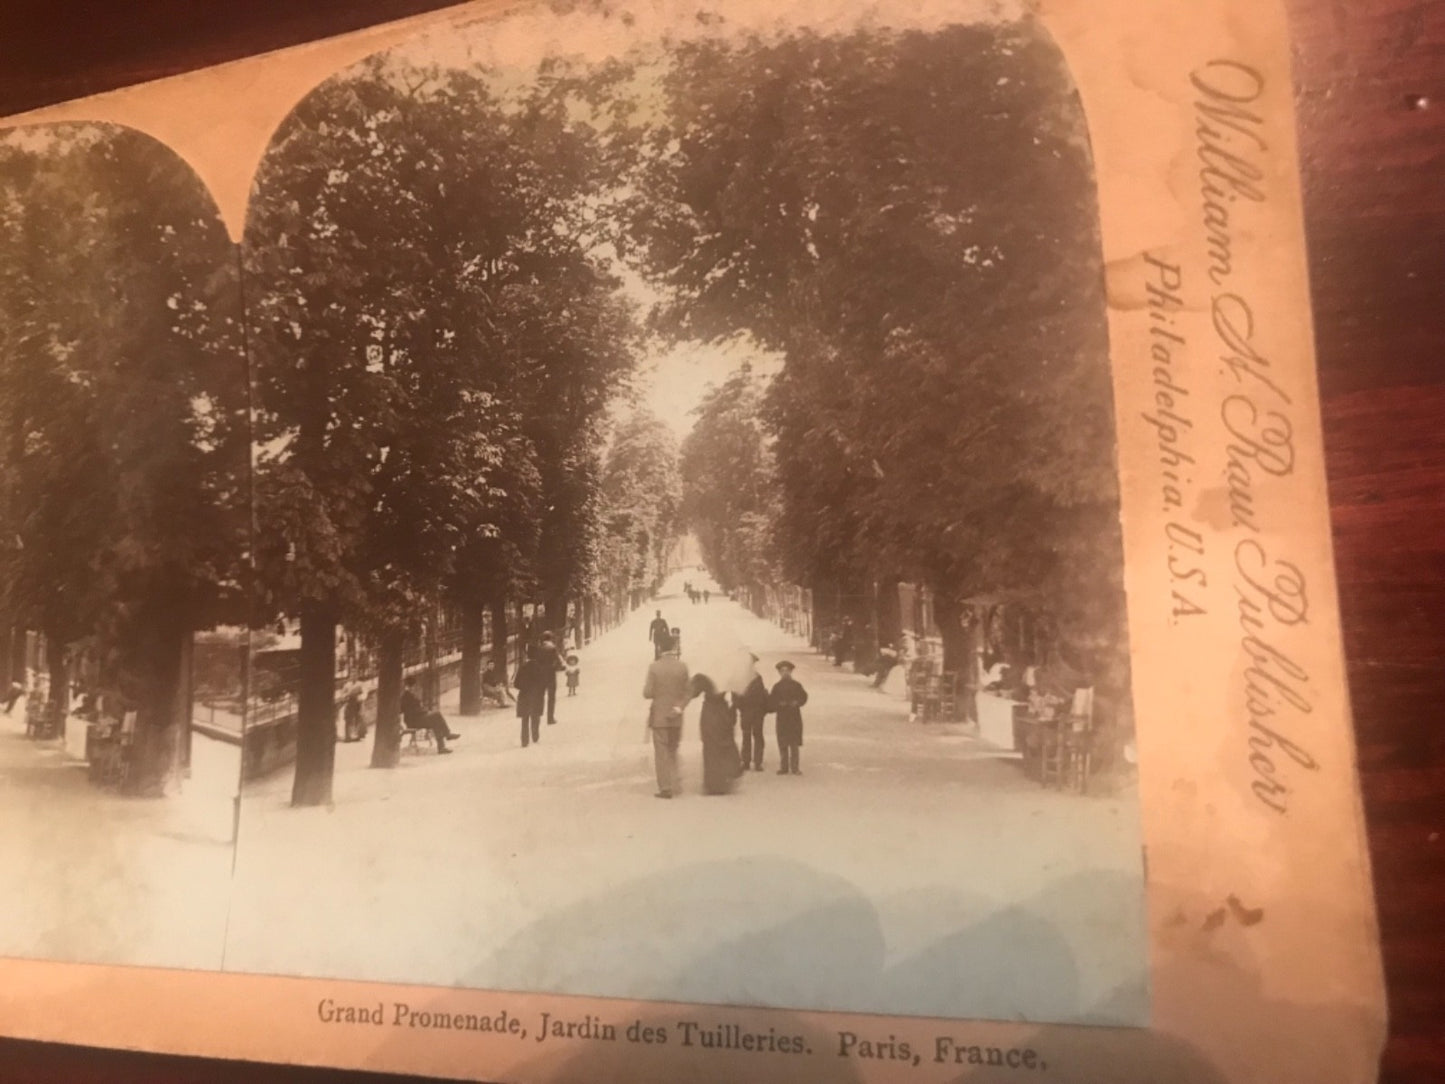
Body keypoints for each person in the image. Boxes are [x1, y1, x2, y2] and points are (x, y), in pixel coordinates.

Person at [643, 635, 690, 798]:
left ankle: (666, 787)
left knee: (661, 752)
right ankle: (676, 783)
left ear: (660, 648)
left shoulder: (654, 667)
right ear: (674, 648)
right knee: (673, 750)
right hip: (676, 716)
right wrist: (679, 706)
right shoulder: (682, 667)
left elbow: (647, 693)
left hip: (659, 717)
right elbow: (688, 692)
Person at [692, 673, 742, 795]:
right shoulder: (730, 675)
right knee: (724, 745)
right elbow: (738, 696)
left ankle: (713, 784)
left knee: (710, 748)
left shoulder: (704, 675)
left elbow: (693, 693)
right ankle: (725, 780)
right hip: (724, 711)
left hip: (710, 713)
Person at [769, 661, 809, 775]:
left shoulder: (796, 685)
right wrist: (778, 704)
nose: (785, 673)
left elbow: (804, 697)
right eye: (782, 671)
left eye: (787, 670)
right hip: (782, 717)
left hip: (794, 717)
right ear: (779, 673)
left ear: (791, 672)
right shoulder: (777, 687)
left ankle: (795, 767)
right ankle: (784, 767)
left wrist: (797, 702)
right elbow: (772, 701)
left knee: (794, 743)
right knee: (782, 742)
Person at [401, 676, 459, 754]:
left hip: (417, 718)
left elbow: (417, 709)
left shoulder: (410, 695)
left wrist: (425, 712)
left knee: (435, 719)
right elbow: (412, 711)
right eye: (413, 686)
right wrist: (425, 712)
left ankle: (442, 745)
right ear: (411, 686)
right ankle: (446, 738)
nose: (415, 688)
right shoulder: (406, 697)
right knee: (436, 716)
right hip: (413, 721)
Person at [732, 652, 769, 772]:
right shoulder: (741, 678)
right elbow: (735, 695)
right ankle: (746, 761)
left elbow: (762, 696)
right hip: (747, 711)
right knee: (746, 736)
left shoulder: (758, 678)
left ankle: (757, 762)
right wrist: (740, 707)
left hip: (756, 712)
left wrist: (763, 708)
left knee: (757, 736)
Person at [513, 644, 550, 748]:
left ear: (527, 655)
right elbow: (545, 683)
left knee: (525, 719)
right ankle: (535, 736)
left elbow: (516, 684)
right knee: (536, 716)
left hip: (524, 696)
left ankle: (524, 741)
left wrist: (524, 687)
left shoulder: (523, 667)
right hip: (537, 696)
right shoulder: (541, 667)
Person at [533, 631, 565, 725]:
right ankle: (550, 718)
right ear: (551, 638)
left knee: (540, 695)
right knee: (551, 697)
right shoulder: (553, 648)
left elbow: (535, 661)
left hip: (540, 674)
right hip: (550, 674)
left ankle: (538, 715)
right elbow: (559, 662)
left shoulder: (538, 648)